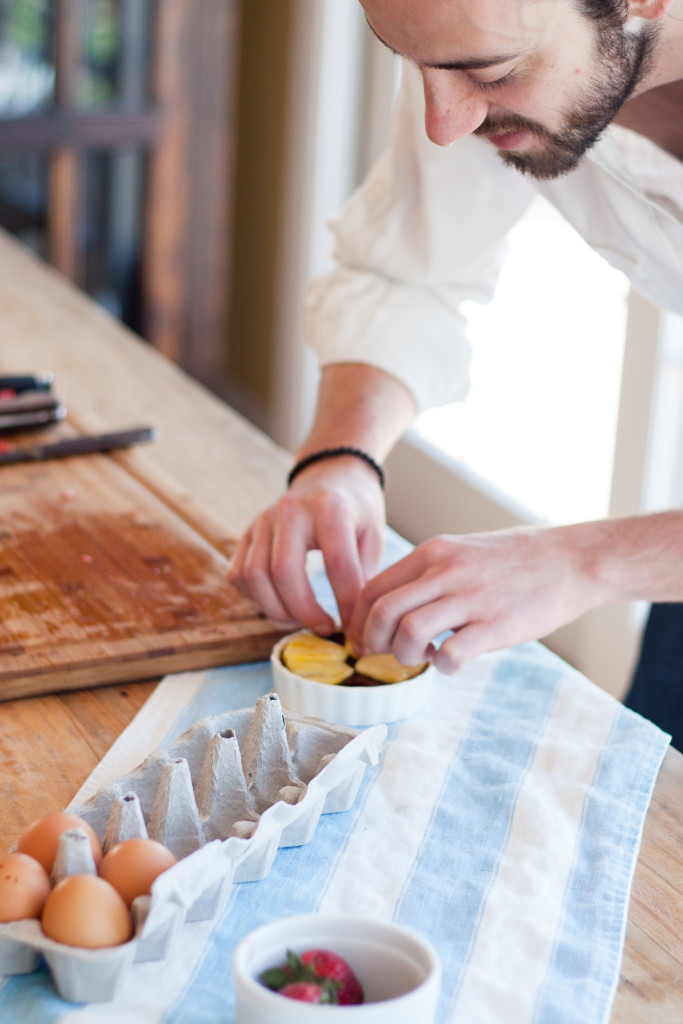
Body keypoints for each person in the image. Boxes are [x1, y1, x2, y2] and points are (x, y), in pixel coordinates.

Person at [229, 0, 683, 745]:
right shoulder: (476, 39)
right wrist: (340, 458)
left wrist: (582, 561)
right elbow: (410, 271)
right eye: (414, 66)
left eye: (491, 72)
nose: (442, 125)